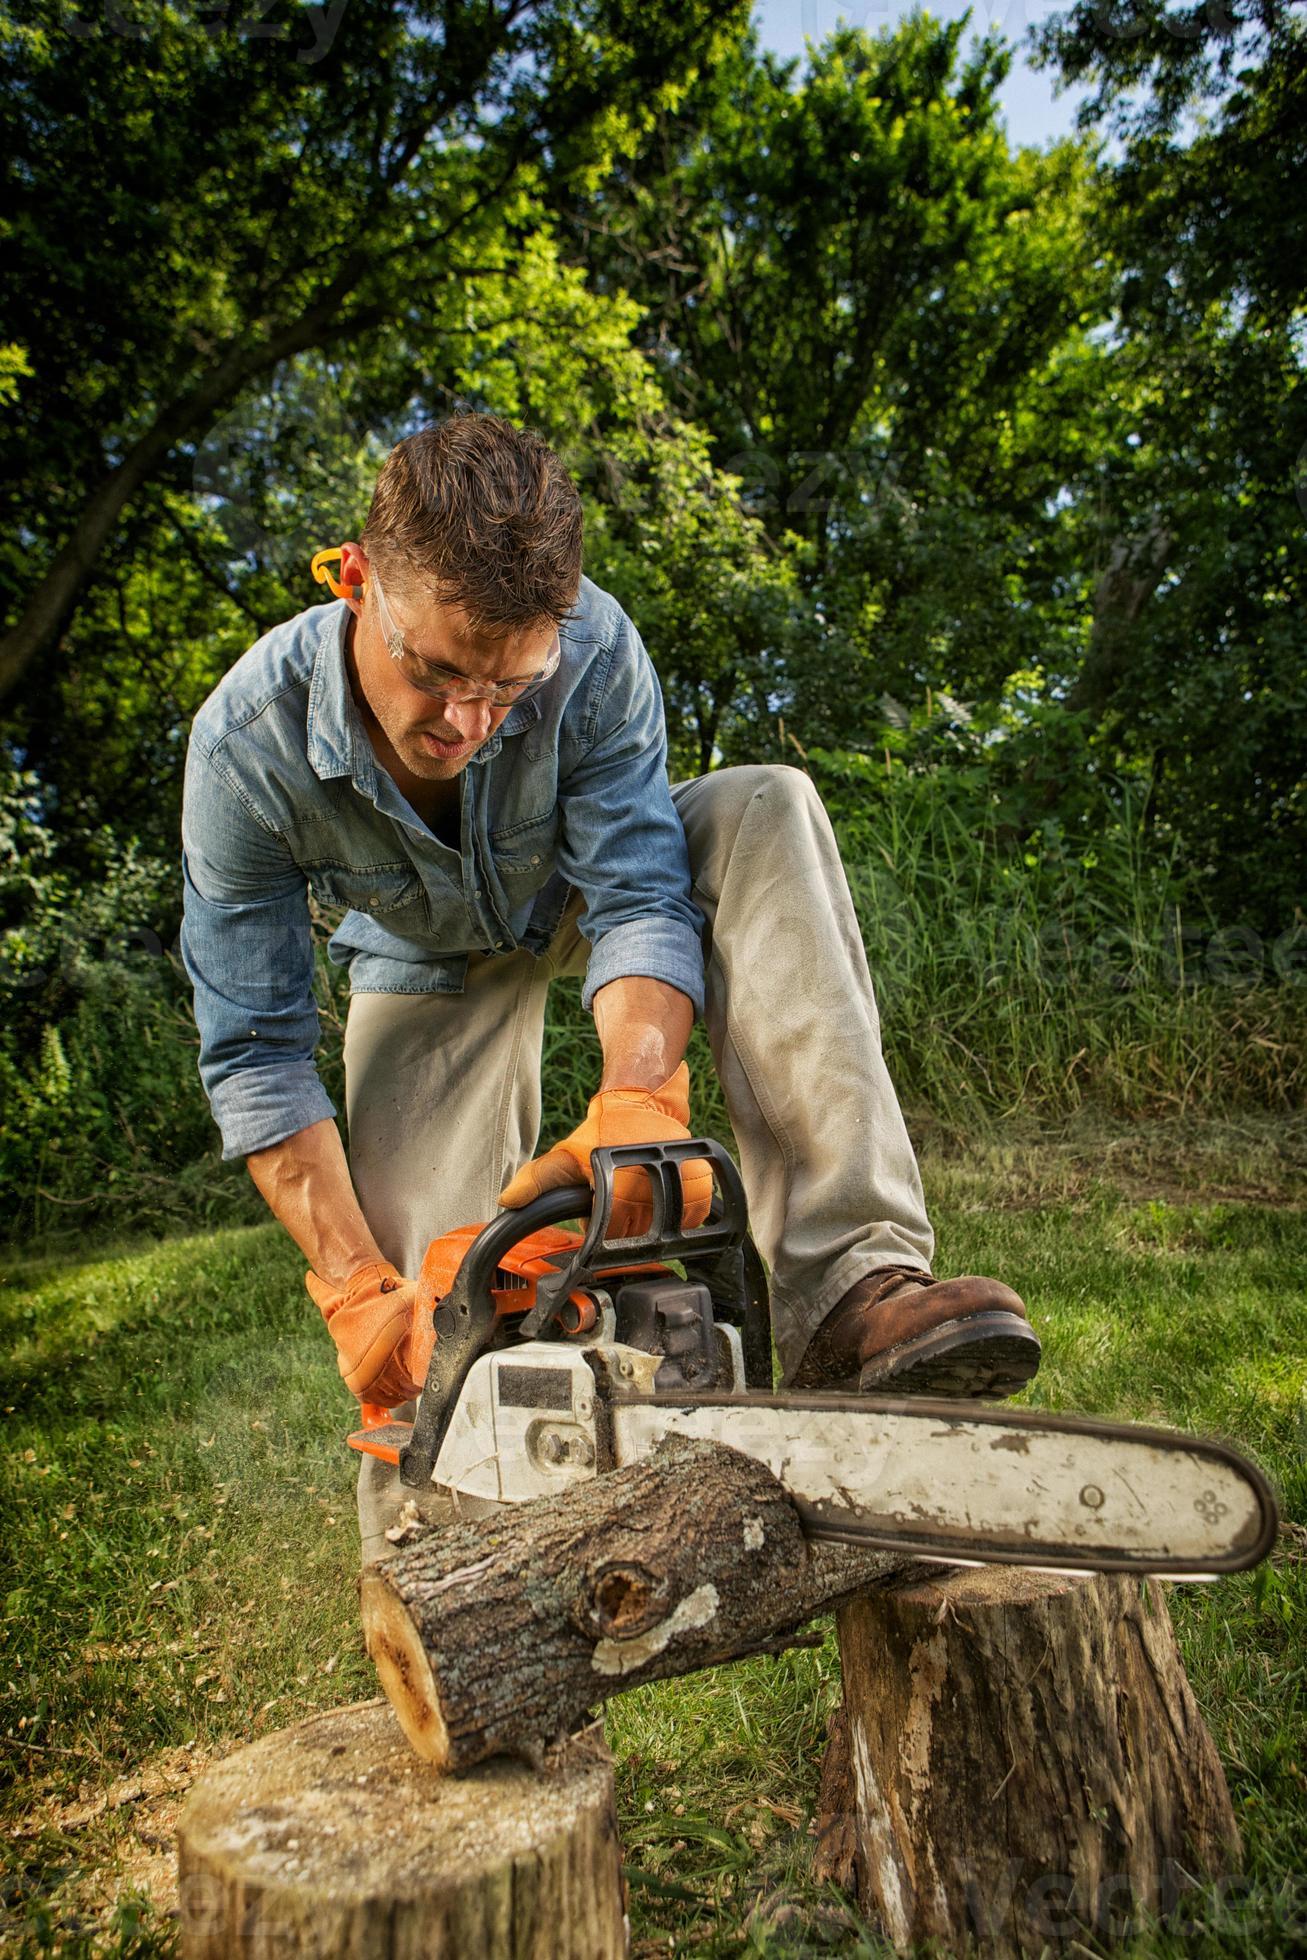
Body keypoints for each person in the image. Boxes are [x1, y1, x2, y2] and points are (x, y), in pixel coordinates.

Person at [181, 412, 1039, 1562]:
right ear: (355, 582)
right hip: (420, 958)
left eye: (507, 687)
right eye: (435, 671)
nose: (470, 724)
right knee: (438, 1348)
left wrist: (635, 1098)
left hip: (575, 895)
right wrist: (348, 1281)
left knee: (762, 807)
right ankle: (445, 1579)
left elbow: (638, 892)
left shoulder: (593, 653)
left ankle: (851, 1287)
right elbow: (255, 1051)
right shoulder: (246, 746)